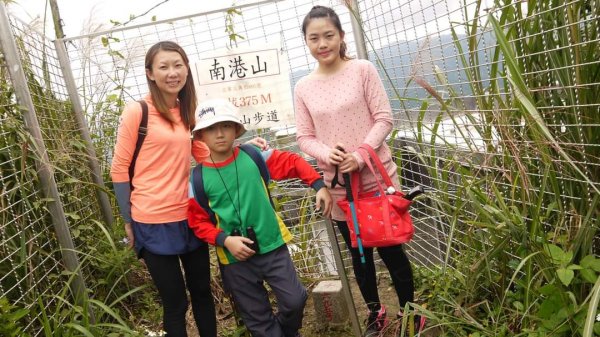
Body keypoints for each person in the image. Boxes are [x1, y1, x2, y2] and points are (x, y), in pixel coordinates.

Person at [110, 41, 267, 337]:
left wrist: (242, 150)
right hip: (151, 219)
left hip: (190, 215)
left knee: (202, 292)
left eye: (178, 65)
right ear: (150, 73)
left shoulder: (188, 111)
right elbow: (118, 168)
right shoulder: (138, 112)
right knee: (175, 302)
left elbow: (205, 154)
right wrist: (128, 220)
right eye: (164, 67)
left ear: (186, 69)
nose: (172, 73)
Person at [293, 6, 425, 337]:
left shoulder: (362, 70)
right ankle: (375, 313)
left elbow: (384, 117)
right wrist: (329, 153)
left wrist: (361, 154)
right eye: (314, 38)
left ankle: (411, 314)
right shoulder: (303, 87)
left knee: (392, 250)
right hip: (338, 186)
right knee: (359, 255)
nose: (322, 43)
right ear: (306, 42)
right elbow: (304, 137)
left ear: (340, 36)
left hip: (376, 182)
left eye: (328, 35)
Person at [187, 98, 332, 337]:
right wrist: (225, 240)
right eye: (211, 128)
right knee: (257, 319)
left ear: (235, 129)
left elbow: (293, 162)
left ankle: (287, 332)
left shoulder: (253, 156)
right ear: (201, 136)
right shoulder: (197, 180)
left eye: (225, 125)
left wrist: (318, 185)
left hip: (272, 243)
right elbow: (198, 222)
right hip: (234, 259)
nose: (219, 134)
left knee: (295, 299)